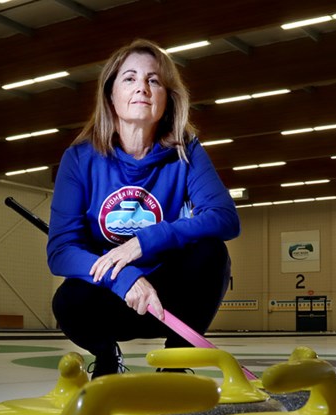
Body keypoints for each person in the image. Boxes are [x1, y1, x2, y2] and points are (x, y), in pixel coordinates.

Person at [47, 38, 240, 378]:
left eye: (154, 80)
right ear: (111, 95)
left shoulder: (186, 151)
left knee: (212, 253)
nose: (143, 88)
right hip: (113, 295)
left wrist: (146, 241)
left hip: (167, 298)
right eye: (130, 78)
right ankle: (107, 356)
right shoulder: (79, 158)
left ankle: (176, 363)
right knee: (67, 301)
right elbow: (61, 251)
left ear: (167, 97)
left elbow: (225, 218)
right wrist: (122, 277)